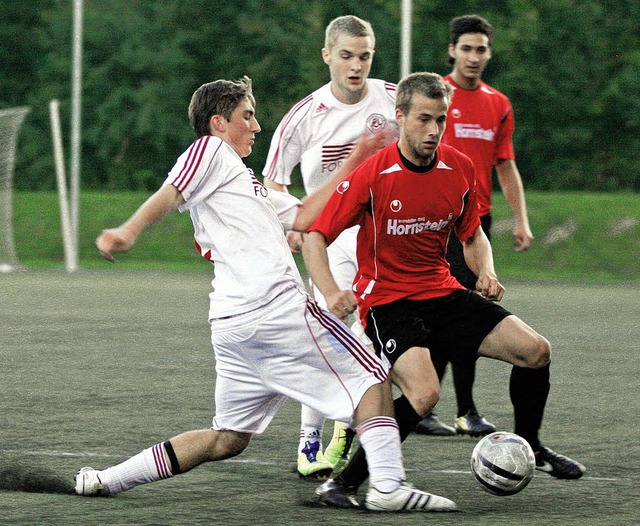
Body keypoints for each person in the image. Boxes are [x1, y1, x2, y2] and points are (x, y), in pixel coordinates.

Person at [74, 76, 456, 513]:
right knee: (372, 380)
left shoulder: (243, 182)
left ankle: (105, 480)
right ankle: (388, 486)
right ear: (219, 123)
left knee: (228, 438)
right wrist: (128, 230)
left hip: (235, 326)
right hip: (274, 308)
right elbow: (170, 191)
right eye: (247, 116)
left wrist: (359, 156)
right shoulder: (210, 150)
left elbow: (308, 215)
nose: (257, 126)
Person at [303, 72, 585, 508]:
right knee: (425, 392)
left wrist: (486, 271)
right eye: (423, 120)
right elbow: (315, 235)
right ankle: (344, 482)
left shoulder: (459, 168)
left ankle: (531, 446)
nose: (433, 131)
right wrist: (330, 290)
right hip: (388, 300)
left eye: (440, 120)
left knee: (536, 351)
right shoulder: (373, 174)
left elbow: (472, 236)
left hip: (443, 291)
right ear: (400, 117)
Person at [262, 15, 398, 480]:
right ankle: (310, 441)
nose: (356, 66)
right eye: (346, 56)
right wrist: (293, 224)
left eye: (364, 56)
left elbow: (428, 140)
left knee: (373, 335)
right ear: (327, 56)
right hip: (330, 236)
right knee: (331, 336)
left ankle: (345, 430)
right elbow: (272, 180)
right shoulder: (304, 115)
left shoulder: (394, 99)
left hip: (385, 236)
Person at [417, 14, 534, 437]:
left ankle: (453, 409)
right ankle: (438, 407)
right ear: (451, 51)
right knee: (453, 313)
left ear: (488, 53)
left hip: (474, 224)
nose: (473, 56)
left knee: (465, 311)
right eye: (465, 48)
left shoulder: (498, 104)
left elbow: (506, 165)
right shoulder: (435, 98)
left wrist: (520, 219)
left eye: (480, 48)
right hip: (433, 223)